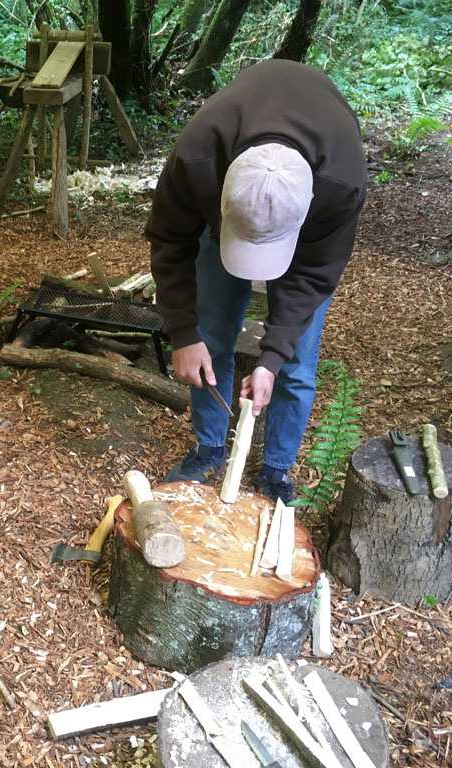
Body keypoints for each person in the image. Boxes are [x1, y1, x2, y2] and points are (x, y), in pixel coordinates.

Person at [145, 59, 367, 502]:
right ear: (222, 190)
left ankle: (276, 470)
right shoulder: (198, 154)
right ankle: (209, 448)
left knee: (297, 359)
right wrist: (183, 333)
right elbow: (170, 240)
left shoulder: (340, 181)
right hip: (219, 202)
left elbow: (314, 276)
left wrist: (273, 356)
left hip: (312, 227)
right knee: (211, 332)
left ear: (310, 199)